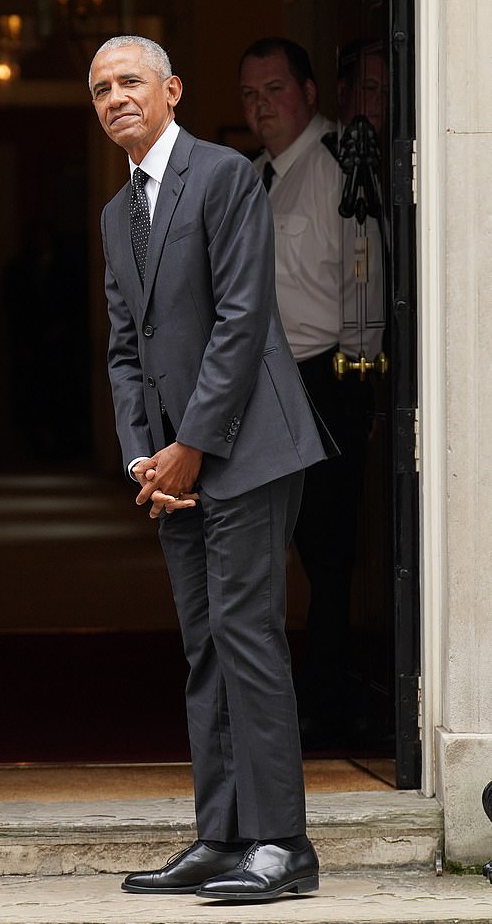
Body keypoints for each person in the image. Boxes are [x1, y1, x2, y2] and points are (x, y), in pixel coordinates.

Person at [89, 35, 332, 902]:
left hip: (251, 448)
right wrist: (141, 459)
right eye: (101, 89)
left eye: (130, 82)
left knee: (248, 637)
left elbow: (241, 319)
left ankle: (282, 843)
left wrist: (190, 442)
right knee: (204, 648)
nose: (115, 97)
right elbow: (126, 351)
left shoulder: (224, 176)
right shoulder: (119, 216)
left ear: (172, 91)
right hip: (177, 468)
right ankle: (223, 836)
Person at [239, 37, 381, 746]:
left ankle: (326, 701)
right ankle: (291, 694)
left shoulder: (337, 168)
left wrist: (359, 382)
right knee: (276, 549)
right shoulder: (258, 175)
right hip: (268, 383)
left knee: (328, 555)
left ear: (310, 92)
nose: (262, 105)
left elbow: (366, 279)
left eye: (275, 89)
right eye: (251, 95)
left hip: (324, 377)